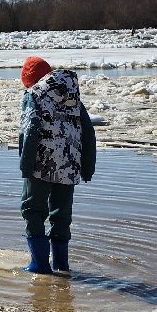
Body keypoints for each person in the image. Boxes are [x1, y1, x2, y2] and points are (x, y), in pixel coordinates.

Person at [18, 56, 96, 275]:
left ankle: (40, 264)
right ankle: (61, 265)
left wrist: (26, 164)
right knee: (61, 213)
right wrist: (87, 166)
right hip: (70, 164)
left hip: (41, 162)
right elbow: (88, 132)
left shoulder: (33, 95)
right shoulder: (73, 96)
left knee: (32, 209)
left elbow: (30, 129)